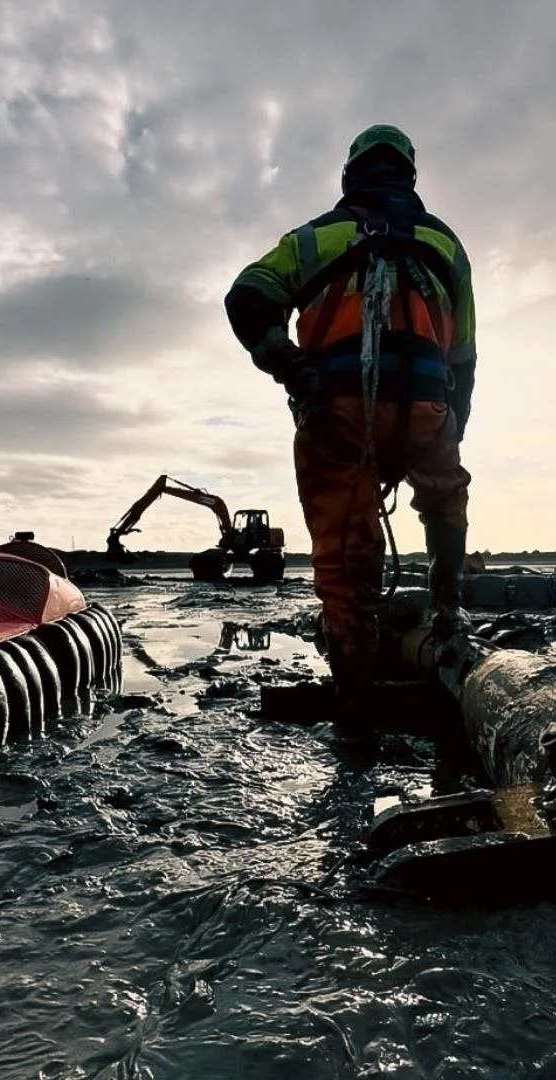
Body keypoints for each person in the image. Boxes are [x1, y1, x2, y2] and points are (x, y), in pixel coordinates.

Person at [224, 124, 476, 730]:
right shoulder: (445, 244)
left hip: (336, 413)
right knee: (445, 500)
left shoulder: (314, 238)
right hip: (426, 410)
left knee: (341, 560)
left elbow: (247, 297)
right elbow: (463, 356)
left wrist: (285, 363)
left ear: (350, 177)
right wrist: (451, 426)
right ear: (409, 176)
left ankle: (356, 702)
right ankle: (449, 615)